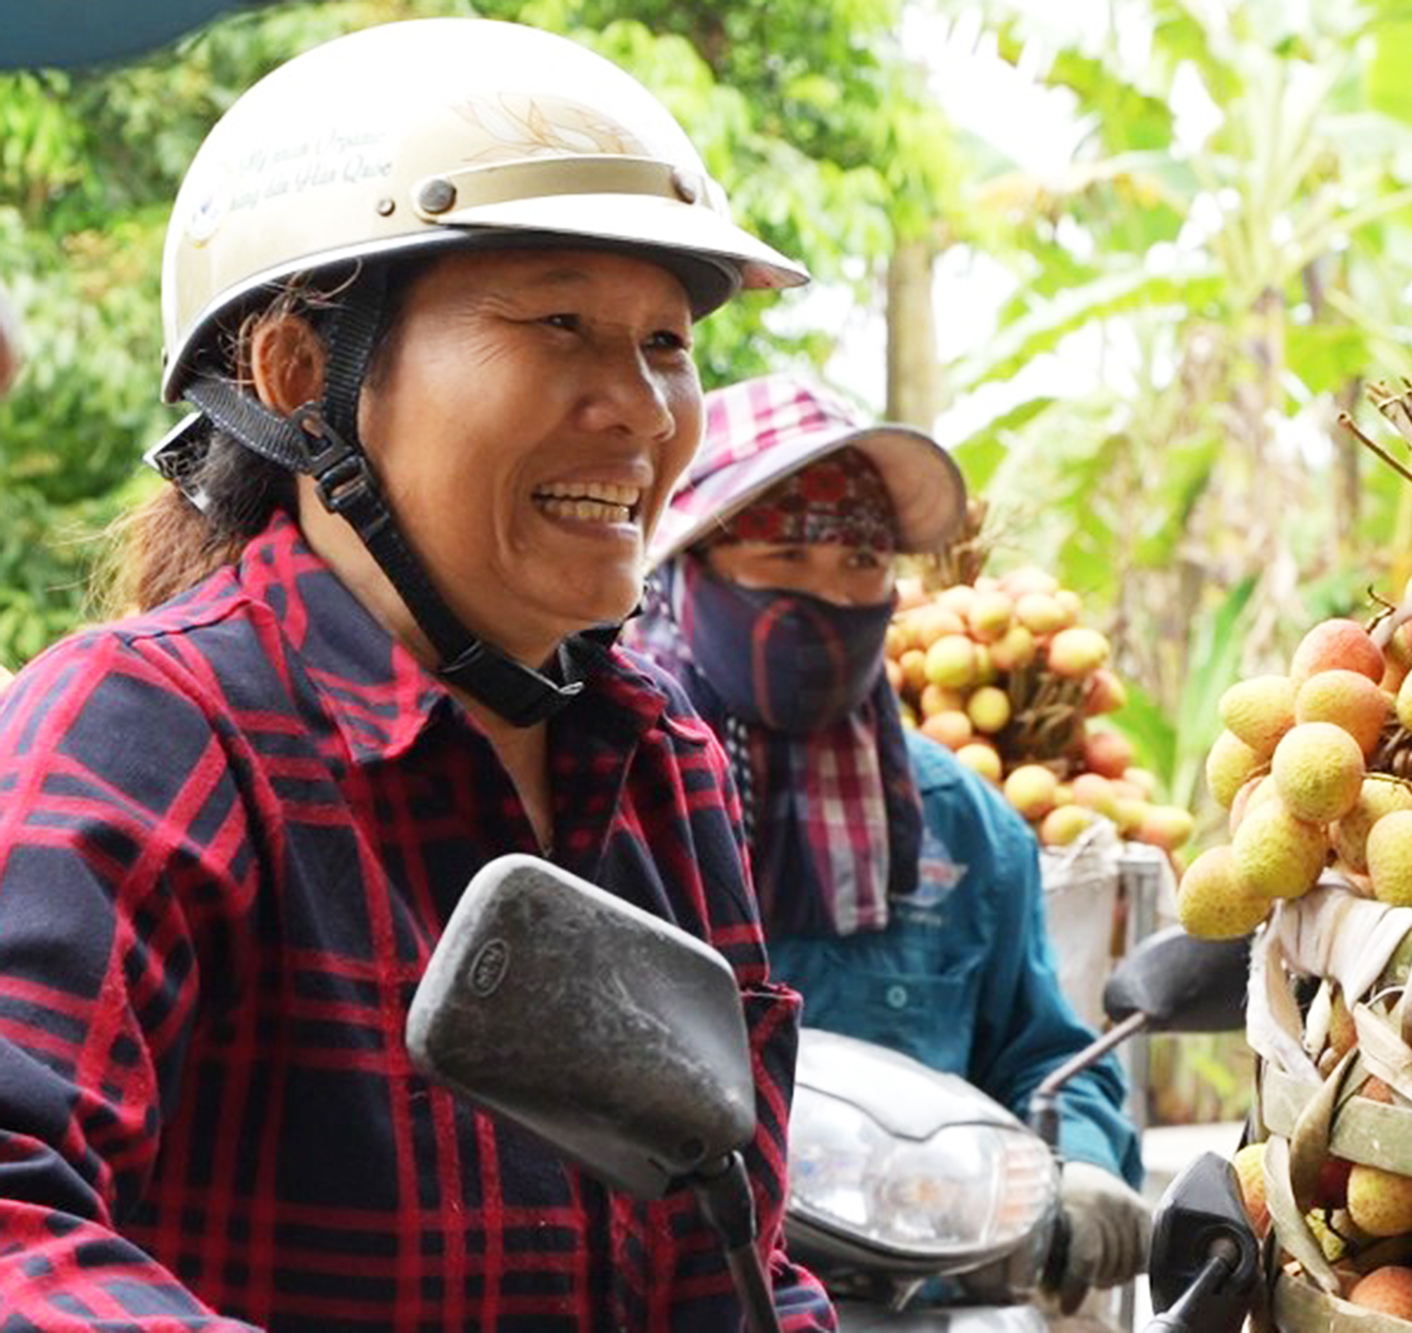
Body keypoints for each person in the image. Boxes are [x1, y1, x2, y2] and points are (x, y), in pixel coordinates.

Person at [0, 19, 834, 1330]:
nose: (637, 407)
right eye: (560, 319)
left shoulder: (661, 760)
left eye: (666, 344)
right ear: (301, 375)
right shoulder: (148, 730)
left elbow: (731, 1260)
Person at [626, 373, 1151, 1310]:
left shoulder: (963, 827)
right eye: (785, 557)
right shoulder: (605, 786)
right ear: (685, 568)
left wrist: (1078, 1160)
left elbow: (1041, 1054)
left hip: (905, 1303)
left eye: (862, 568)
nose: (829, 599)